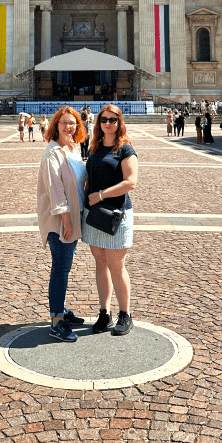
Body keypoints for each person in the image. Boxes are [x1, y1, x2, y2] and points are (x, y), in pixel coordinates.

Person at [83, 105, 138, 336]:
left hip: (116, 214)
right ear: (98, 123)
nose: (108, 123)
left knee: (116, 265)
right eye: (104, 119)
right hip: (94, 215)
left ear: (119, 123)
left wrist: (101, 195)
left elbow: (131, 182)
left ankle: (125, 314)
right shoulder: (94, 147)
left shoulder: (125, 149)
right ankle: (104, 313)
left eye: (113, 120)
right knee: (100, 264)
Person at [36, 106, 88, 342]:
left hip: (73, 218)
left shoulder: (72, 149)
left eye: (73, 123)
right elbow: (56, 192)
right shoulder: (52, 153)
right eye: (64, 123)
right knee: (60, 268)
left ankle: (62, 309)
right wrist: (67, 220)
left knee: (64, 267)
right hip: (60, 221)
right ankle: (56, 321)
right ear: (55, 126)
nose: (69, 127)